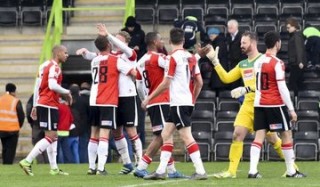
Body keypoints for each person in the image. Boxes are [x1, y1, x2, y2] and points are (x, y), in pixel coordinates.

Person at [208, 31, 297, 179]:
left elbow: (268, 85)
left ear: (253, 43)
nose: (241, 45)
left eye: (244, 42)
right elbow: (227, 78)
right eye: (241, 43)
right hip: (249, 105)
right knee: (237, 134)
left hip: (264, 103)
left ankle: (293, 167)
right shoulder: (242, 64)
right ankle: (231, 171)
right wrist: (215, 63)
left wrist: (246, 88)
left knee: (273, 139)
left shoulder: (263, 60)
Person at [142, 28, 207, 180]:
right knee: (165, 134)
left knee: (186, 136)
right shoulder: (191, 57)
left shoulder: (172, 58)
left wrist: (148, 98)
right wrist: (193, 99)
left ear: (170, 41)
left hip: (178, 102)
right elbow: (200, 82)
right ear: (184, 41)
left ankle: (200, 171)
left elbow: (166, 83)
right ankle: (160, 171)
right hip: (184, 102)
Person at [77, 27, 143, 174]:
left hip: (127, 96)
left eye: (119, 41)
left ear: (126, 43)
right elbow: (97, 55)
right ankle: (127, 164)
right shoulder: (113, 56)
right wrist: (85, 53)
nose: (116, 43)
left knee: (131, 131)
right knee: (117, 132)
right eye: (114, 41)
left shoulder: (130, 54)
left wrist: (108, 36)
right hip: (112, 98)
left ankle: (140, 164)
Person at [248, 31, 306, 178]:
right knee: (286, 134)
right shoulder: (277, 63)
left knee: (259, 136)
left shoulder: (257, 61)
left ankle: (252, 171)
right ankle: (291, 171)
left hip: (259, 104)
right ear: (277, 44)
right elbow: (282, 87)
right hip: (274, 104)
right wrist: (291, 109)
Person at [133, 32, 186, 179]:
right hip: (162, 99)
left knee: (163, 136)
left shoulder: (140, 61)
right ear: (155, 42)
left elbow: (138, 85)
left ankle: (171, 170)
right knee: (164, 136)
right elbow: (176, 64)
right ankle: (143, 165)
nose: (162, 42)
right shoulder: (160, 58)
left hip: (152, 102)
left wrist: (146, 99)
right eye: (161, 39)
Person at [19, 45, 72, 176]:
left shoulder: (44, 66)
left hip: (46, 103)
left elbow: (38, 86)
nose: (67, 55)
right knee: (51, 136)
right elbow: (52, 85)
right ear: (58, 53)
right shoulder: (54, 67)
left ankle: (54, 168)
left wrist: (36, 105)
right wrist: (67, 92)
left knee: (53, 136)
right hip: (48, 104)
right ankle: (27, 160)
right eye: (65, 53)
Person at [88, 33, 134, 175]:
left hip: (93, 99)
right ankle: (101, 168)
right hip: (107, 100)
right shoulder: (116, 60)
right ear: (109, 45)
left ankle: (91, 167)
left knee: (93, 134)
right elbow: (133, 72)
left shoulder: (94, 61)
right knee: (104, 134)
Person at [0, 83, 25, 164]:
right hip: (12, 130)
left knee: (5, 148)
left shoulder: (1, 99)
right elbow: (21, 115)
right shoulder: (16, 101)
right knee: (10, 150)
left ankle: (4, 163)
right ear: (13, 91)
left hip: (1, 129)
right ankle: (8, 164)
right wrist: (19, 126)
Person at [286, 17, 307, 96]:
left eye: (289, 27)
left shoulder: (297, 35)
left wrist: (300, 61)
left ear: (294, 26)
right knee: (296, 82)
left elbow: (299, 49)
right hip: (295, 62)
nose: (287, 29)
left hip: (297, 63)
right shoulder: (295, 35)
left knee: (293, 82)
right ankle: (296, 98)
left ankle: (296, 98)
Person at [26, 94, 49, 163]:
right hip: (47, 124)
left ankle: (41, 163)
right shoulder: (48, 96)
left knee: (37, 144)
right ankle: (48, 163)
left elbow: (28, 110)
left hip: (36, 124)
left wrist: (31, 122)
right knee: (47, 143)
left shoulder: (34, 97)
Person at [206, 27, 230, 94]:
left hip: (219, 68)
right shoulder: (219, 41)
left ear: (215, 35)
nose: (210, 37)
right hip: (220, 68)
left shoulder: (218, 43)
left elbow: (216, 56)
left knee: (219, 90)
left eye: (211, 35)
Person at [226, 19, 246, 89]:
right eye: (229, 27)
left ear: (236, 27)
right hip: (232, 63)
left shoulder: (242, 36)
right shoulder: (228, 36)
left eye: (231, 27)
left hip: (241, 62)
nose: (229, 28)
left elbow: (244, 50)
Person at [57, 97, 75, 163]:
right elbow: (71, 119)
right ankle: (69, 162)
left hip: (58, 131)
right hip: (66, 131)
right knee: (66, 150)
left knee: (56, 150)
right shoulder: (67, 107)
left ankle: (56, 163)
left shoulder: (57, 107)